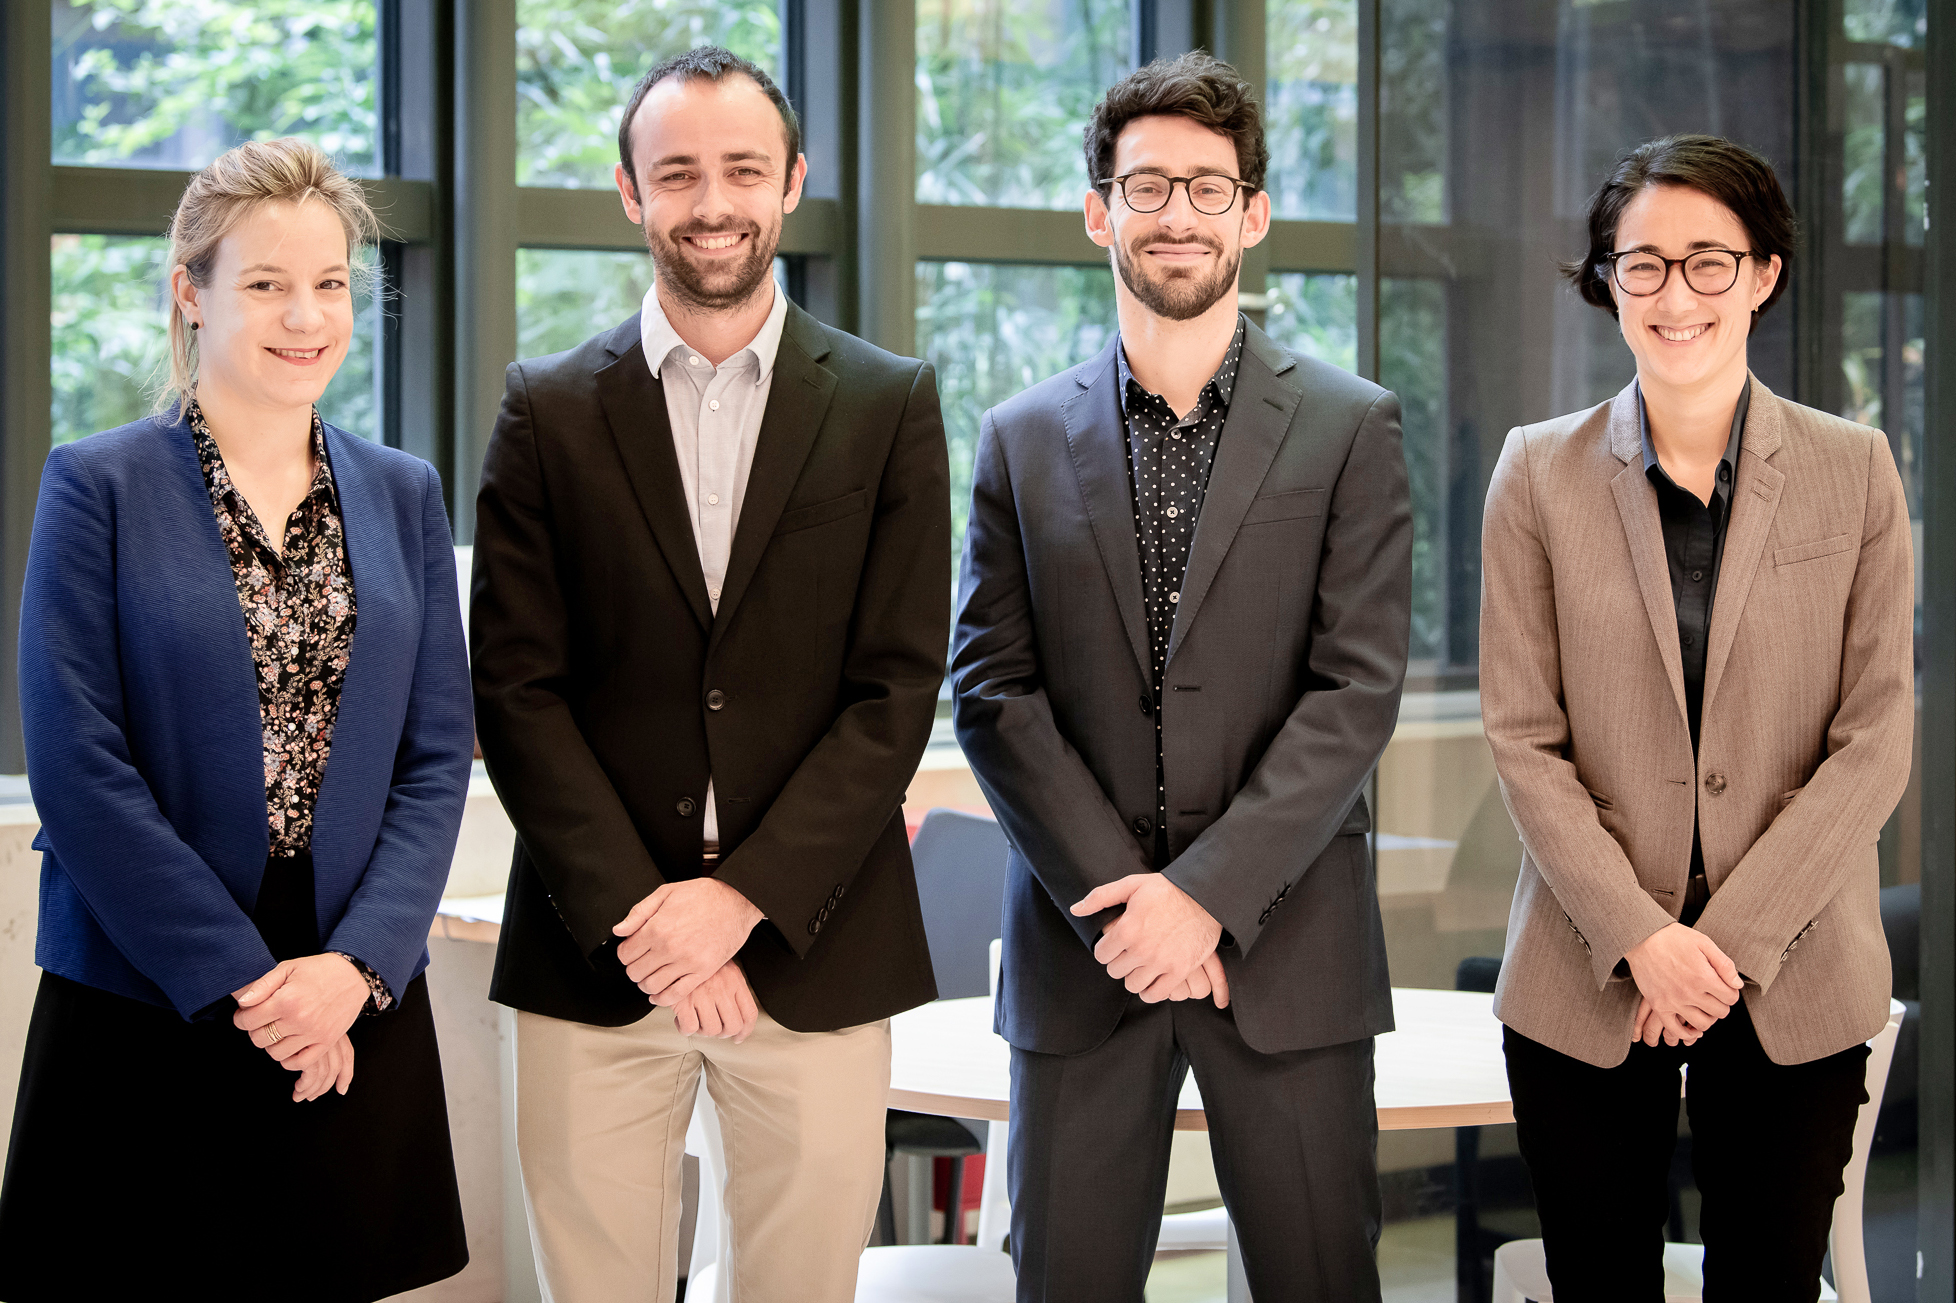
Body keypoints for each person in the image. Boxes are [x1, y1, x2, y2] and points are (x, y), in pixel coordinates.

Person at [471, 46, 950, 1303]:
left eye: (742, 168)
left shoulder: (890, 403)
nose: (712, 201)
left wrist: (737, 902)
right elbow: (517, 692)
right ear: (631, 194)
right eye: (676, 172)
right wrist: (652, 916)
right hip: (596, 963)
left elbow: (896, 691)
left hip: (819, 951)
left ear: (791, 182)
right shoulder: (546, 409)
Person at [951, 52, 1411, 1303]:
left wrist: (1203, 898)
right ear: (1099, 210)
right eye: (1145, 184)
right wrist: (1130, 903)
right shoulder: (1019, 437)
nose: (1177, 214)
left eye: (1208, 187)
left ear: (1253, 215)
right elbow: (992, 692)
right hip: (1084, 958)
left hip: (1291, 954)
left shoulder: (1350, 426)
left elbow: (1355, 691)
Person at [0, 138, 474, 1302]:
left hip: (349, 987)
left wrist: (354, 970)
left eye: (328, 284)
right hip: (147, 991)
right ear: (192, 293)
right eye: (265, 283)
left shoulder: (404, 492)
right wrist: (254, 990)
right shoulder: (96, 484)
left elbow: (434, 756)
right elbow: (77, 766)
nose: (303, 315)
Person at [1480, 134, 1913, 1300]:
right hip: (1586, 967)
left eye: (1708, 262)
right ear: (1608, 280)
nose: (1676, 295)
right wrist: (1640, 934)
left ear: (1763, 273)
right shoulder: (1536, 474)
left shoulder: (1856, 469)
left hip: (1798, 969)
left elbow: (1875, 738)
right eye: (1644, 264)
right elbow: (1522, 736)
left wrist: (1727, 947)